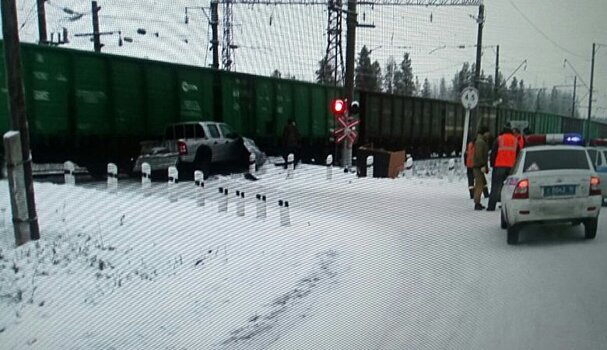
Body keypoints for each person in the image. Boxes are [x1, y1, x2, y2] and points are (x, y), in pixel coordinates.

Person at [487, 125, 519, 211]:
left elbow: (493, 153)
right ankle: (508, 207)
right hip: (512, 168)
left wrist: (492, 164)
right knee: (511, 187)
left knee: (495, 186)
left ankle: (491, 207)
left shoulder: (499, 139)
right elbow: (518, 154)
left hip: (499, 166)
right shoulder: (515, 140)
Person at [473, 126, 491, 210]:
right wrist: (482, 165)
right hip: (478, 167)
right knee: (479, 185)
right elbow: (479, 154)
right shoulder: (480, 142)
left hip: (479, 166)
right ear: (484, 133)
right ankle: (477, 203)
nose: (489, 135)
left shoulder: (481, 141)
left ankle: (477, 202)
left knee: (480, 184)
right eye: (488, 133)